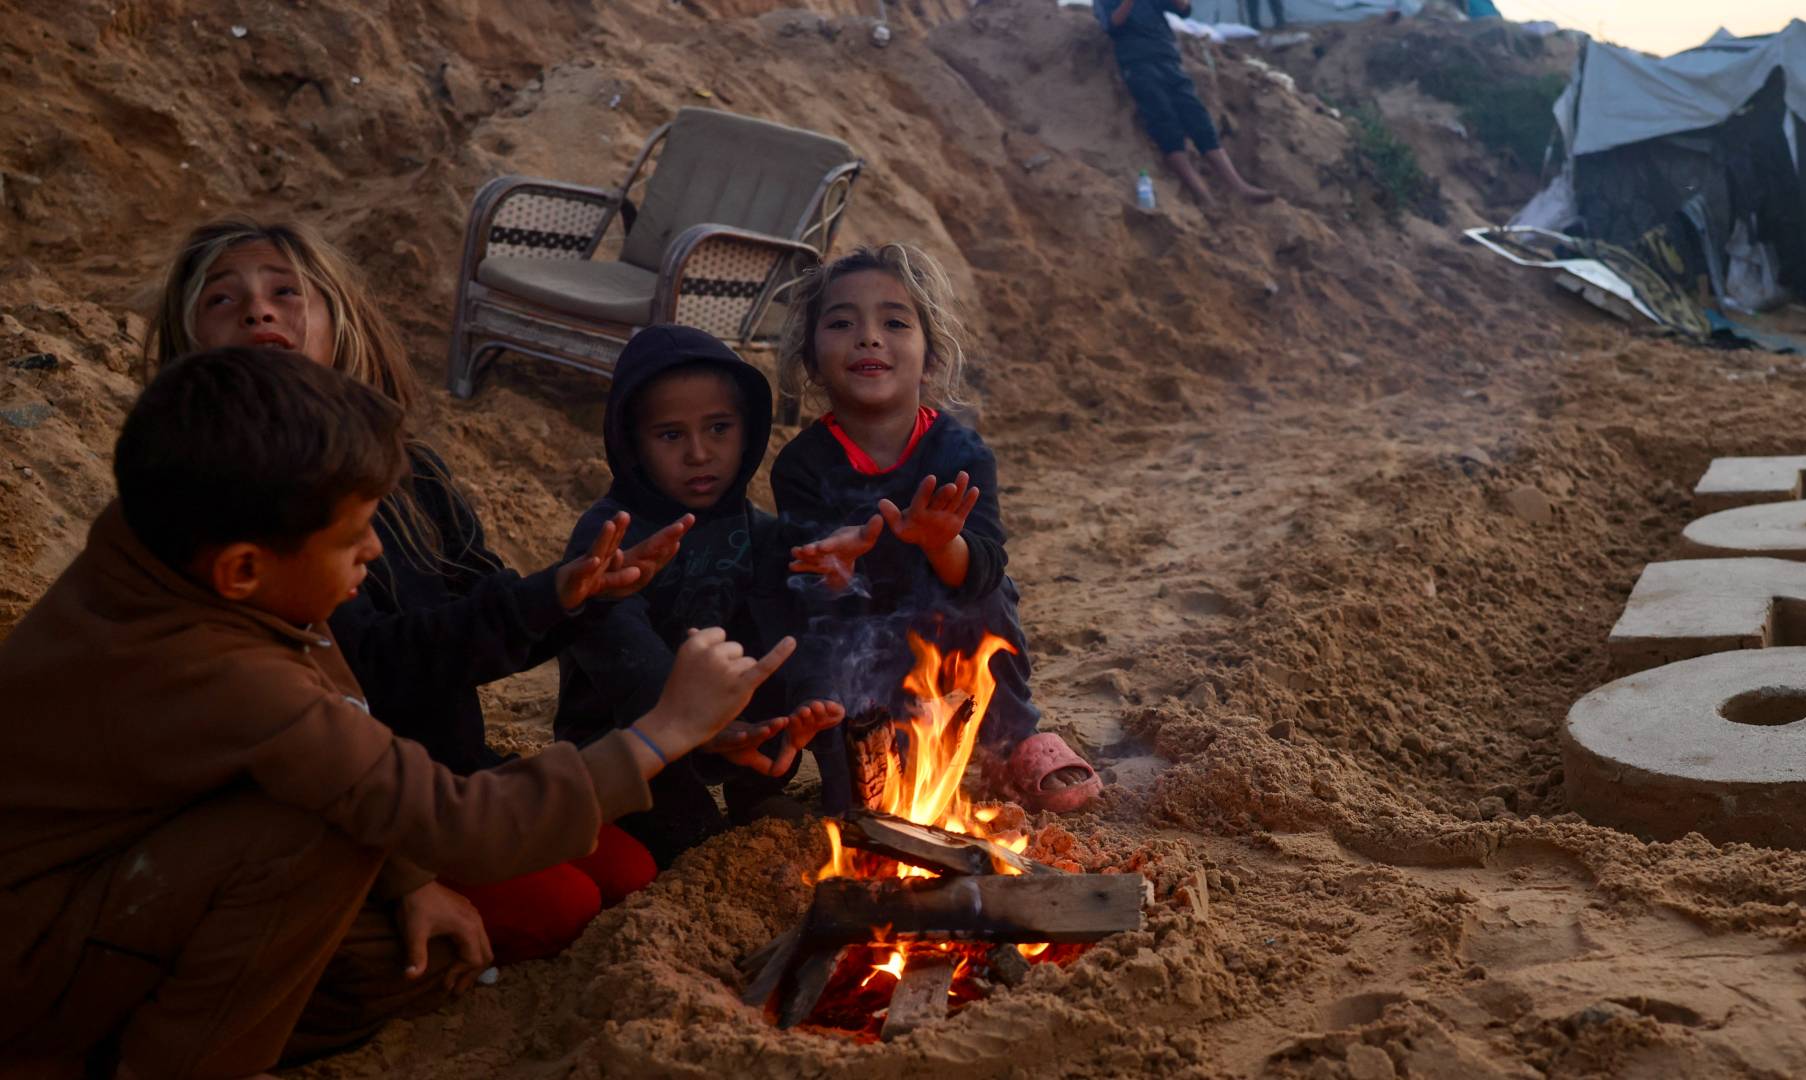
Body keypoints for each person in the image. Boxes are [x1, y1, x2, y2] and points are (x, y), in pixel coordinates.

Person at [0, 347, 792, 1078]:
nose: (376, 554)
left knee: (418, 950)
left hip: (119, 882)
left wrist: (408, 875)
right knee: (316, 850)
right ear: (244, 568)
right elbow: (459, 823)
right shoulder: (229, 675)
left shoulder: (171, 546)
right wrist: (670, 728)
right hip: (35, 964)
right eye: (352, 542)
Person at [142, 217, 710, 965]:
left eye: (286, 292)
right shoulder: (230, 507)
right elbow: (371, 668)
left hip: (450, 779)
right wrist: (406, 872)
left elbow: (487, 608)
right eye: (224, 300)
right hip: (356, 812)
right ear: (189, 352)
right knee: (561, 908)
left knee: (628, 868)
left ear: (341, 325)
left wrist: (580, 594)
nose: (258, 311)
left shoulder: (412, 473)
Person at [772, 244, 1104, 814]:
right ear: (810, 357)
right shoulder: (801, 465)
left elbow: (984, 569)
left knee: (992, 595)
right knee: (863, 800)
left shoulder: (960, 450)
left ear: (929, 354)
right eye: (842, 322)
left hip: (946, 619)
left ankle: (1011, 740)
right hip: (862, 641)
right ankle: (867, 752)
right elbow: (812, 594)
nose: (869, 337)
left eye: (895, 322)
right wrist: (833, 571)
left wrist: (941, 543)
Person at [554, 325, 846, 866]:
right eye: (670, 435)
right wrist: (693, 721)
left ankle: (754, 793)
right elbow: (618, 643)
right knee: (694, 839)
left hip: (729, 730)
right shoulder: (611, 533)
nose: (698, 453)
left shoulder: (755, 529)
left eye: (718, 428)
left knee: (787, 622)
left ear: (748, 429)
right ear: (632, 442)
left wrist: (806, 700)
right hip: (627, 735)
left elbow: (788, 629)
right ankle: (690, 813)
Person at [1094, 0, 1275, 206]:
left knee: (1199, 119)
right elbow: (1111, 25)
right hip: (1138, 64)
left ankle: (1239, 187)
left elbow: (1183, 10)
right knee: (1165, 125)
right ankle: (1202, 194)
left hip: (1167, 58)